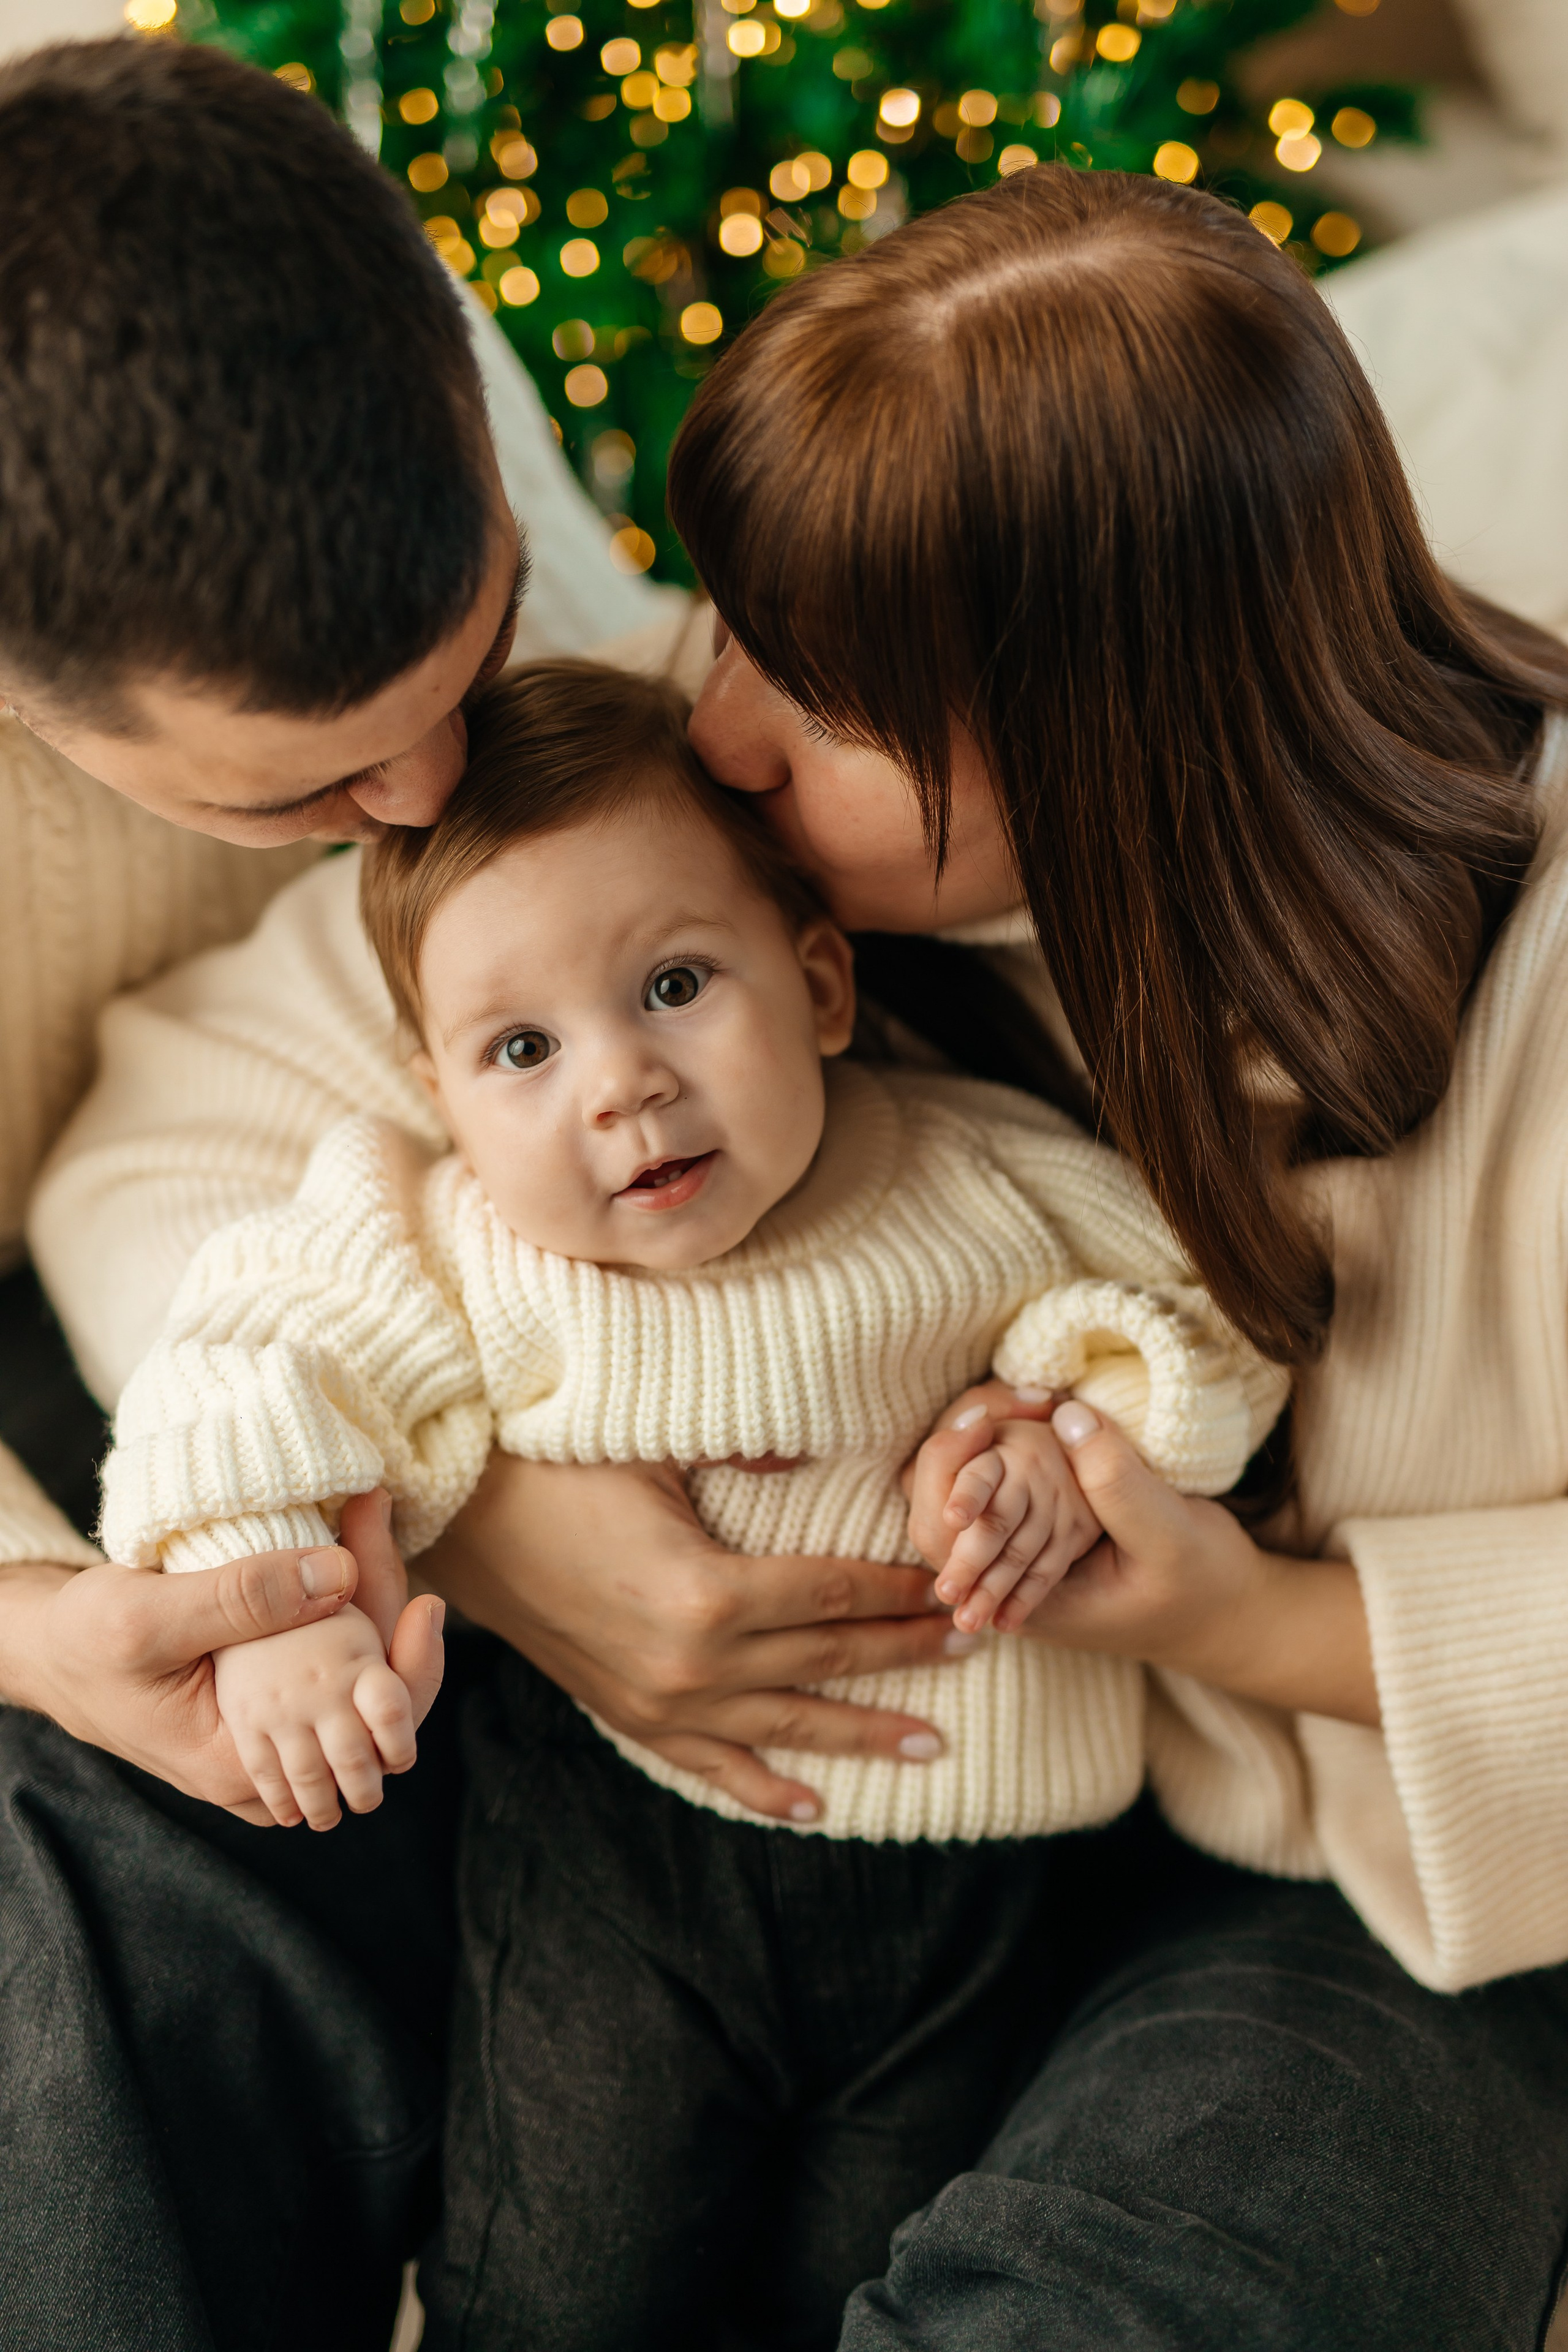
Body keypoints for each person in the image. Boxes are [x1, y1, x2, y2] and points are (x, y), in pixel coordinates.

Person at [40, 159, 1568, 2346]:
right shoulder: (721, 796)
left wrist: (1262, 1618)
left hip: (1374, 1868)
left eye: (811, 696)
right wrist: (509, 1522)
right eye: (731, 623)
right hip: (726, 1822)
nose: (719, 723)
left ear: (1105, 747)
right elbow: (175, 1142)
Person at [95, 656, 1285, 2342]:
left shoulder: (987, 1175)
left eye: (672, 985)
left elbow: (1203, 1320)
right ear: (439, 1093)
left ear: (818, 984)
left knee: (845, 2292)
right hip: (614, 1858)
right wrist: (272, 1591)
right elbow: (242, 1363)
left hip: (978, 1895)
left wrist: (1075, 1440)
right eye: (522, 1046)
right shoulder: (448, 1238)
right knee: (560, 2281)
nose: (618, 1085)